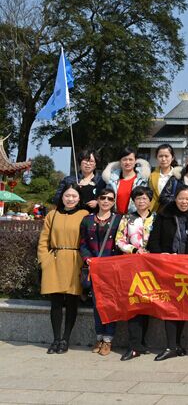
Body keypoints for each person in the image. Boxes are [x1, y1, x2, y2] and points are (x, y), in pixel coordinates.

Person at [148, 186, 188, 361]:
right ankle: (170, 345)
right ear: (175, 198)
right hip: (167, 267)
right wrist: (162, 254)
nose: (184, 202)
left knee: (183, 304)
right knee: (170, 305)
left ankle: (177, 345)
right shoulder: (164, 214)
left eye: (187, 199)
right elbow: (153, 241)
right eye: (181, 198)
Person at [37, 183, 89, 354]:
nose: (70, 199)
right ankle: (56, 339)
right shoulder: (52, 215)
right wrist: (44, 260)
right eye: (67, 195)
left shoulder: (84, 215)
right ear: (62, 197)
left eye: (74, 196)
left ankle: (66, 339)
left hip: (75, 261)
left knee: (72, 301)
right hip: (54, 260)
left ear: (79, 198)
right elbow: (43, 240)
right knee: (56, 302)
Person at [79, 187, 122, 356]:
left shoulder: (119, 220)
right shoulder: (87, 220)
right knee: (97, 305)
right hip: (95, 268)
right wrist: (87, 259)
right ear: (97, 200)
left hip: (113, 269)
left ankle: (108, 339)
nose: (106, 201)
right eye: (103, 198)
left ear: (114, 202)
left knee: (111, 304)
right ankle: (99, 337)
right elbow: (83, 243)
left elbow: (122, 243)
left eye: (110, 199)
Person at [116, 186, 157, 361]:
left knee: (148, 304)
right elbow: (119, 239)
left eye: (145, 198)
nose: (141, 201)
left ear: (150, 200)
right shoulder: (127, 218)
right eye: (138, 198)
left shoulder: (157, 218)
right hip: (132, 265)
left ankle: (142, 344)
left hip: (152, 267)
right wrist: (133, 250)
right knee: (134, 304)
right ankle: (133, 345)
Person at [53, 149, 106, 213]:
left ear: (95, 164)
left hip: (94, 216)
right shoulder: (68, 180)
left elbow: (108, 198)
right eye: (85, 161)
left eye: (91, 161)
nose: (88, 164)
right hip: (72, 215)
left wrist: (98, 202)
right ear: (80, 163)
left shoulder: (102, 181)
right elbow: (56, 199)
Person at [103, 147, 151, 215]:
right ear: (120, 161)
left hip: (135, 217)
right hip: (115, 217)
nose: (127, 162)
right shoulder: (111, 180)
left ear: (135, 161)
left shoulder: (143, 180)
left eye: (130, 159)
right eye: (124, 159)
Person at [148, 144, 180, 213]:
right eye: (160, 156)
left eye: (166, 156)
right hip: (155, 212)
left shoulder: (179, 176)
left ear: (172, 157)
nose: (163, 159)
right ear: (156, 157)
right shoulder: (151, 175)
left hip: (174, 212)